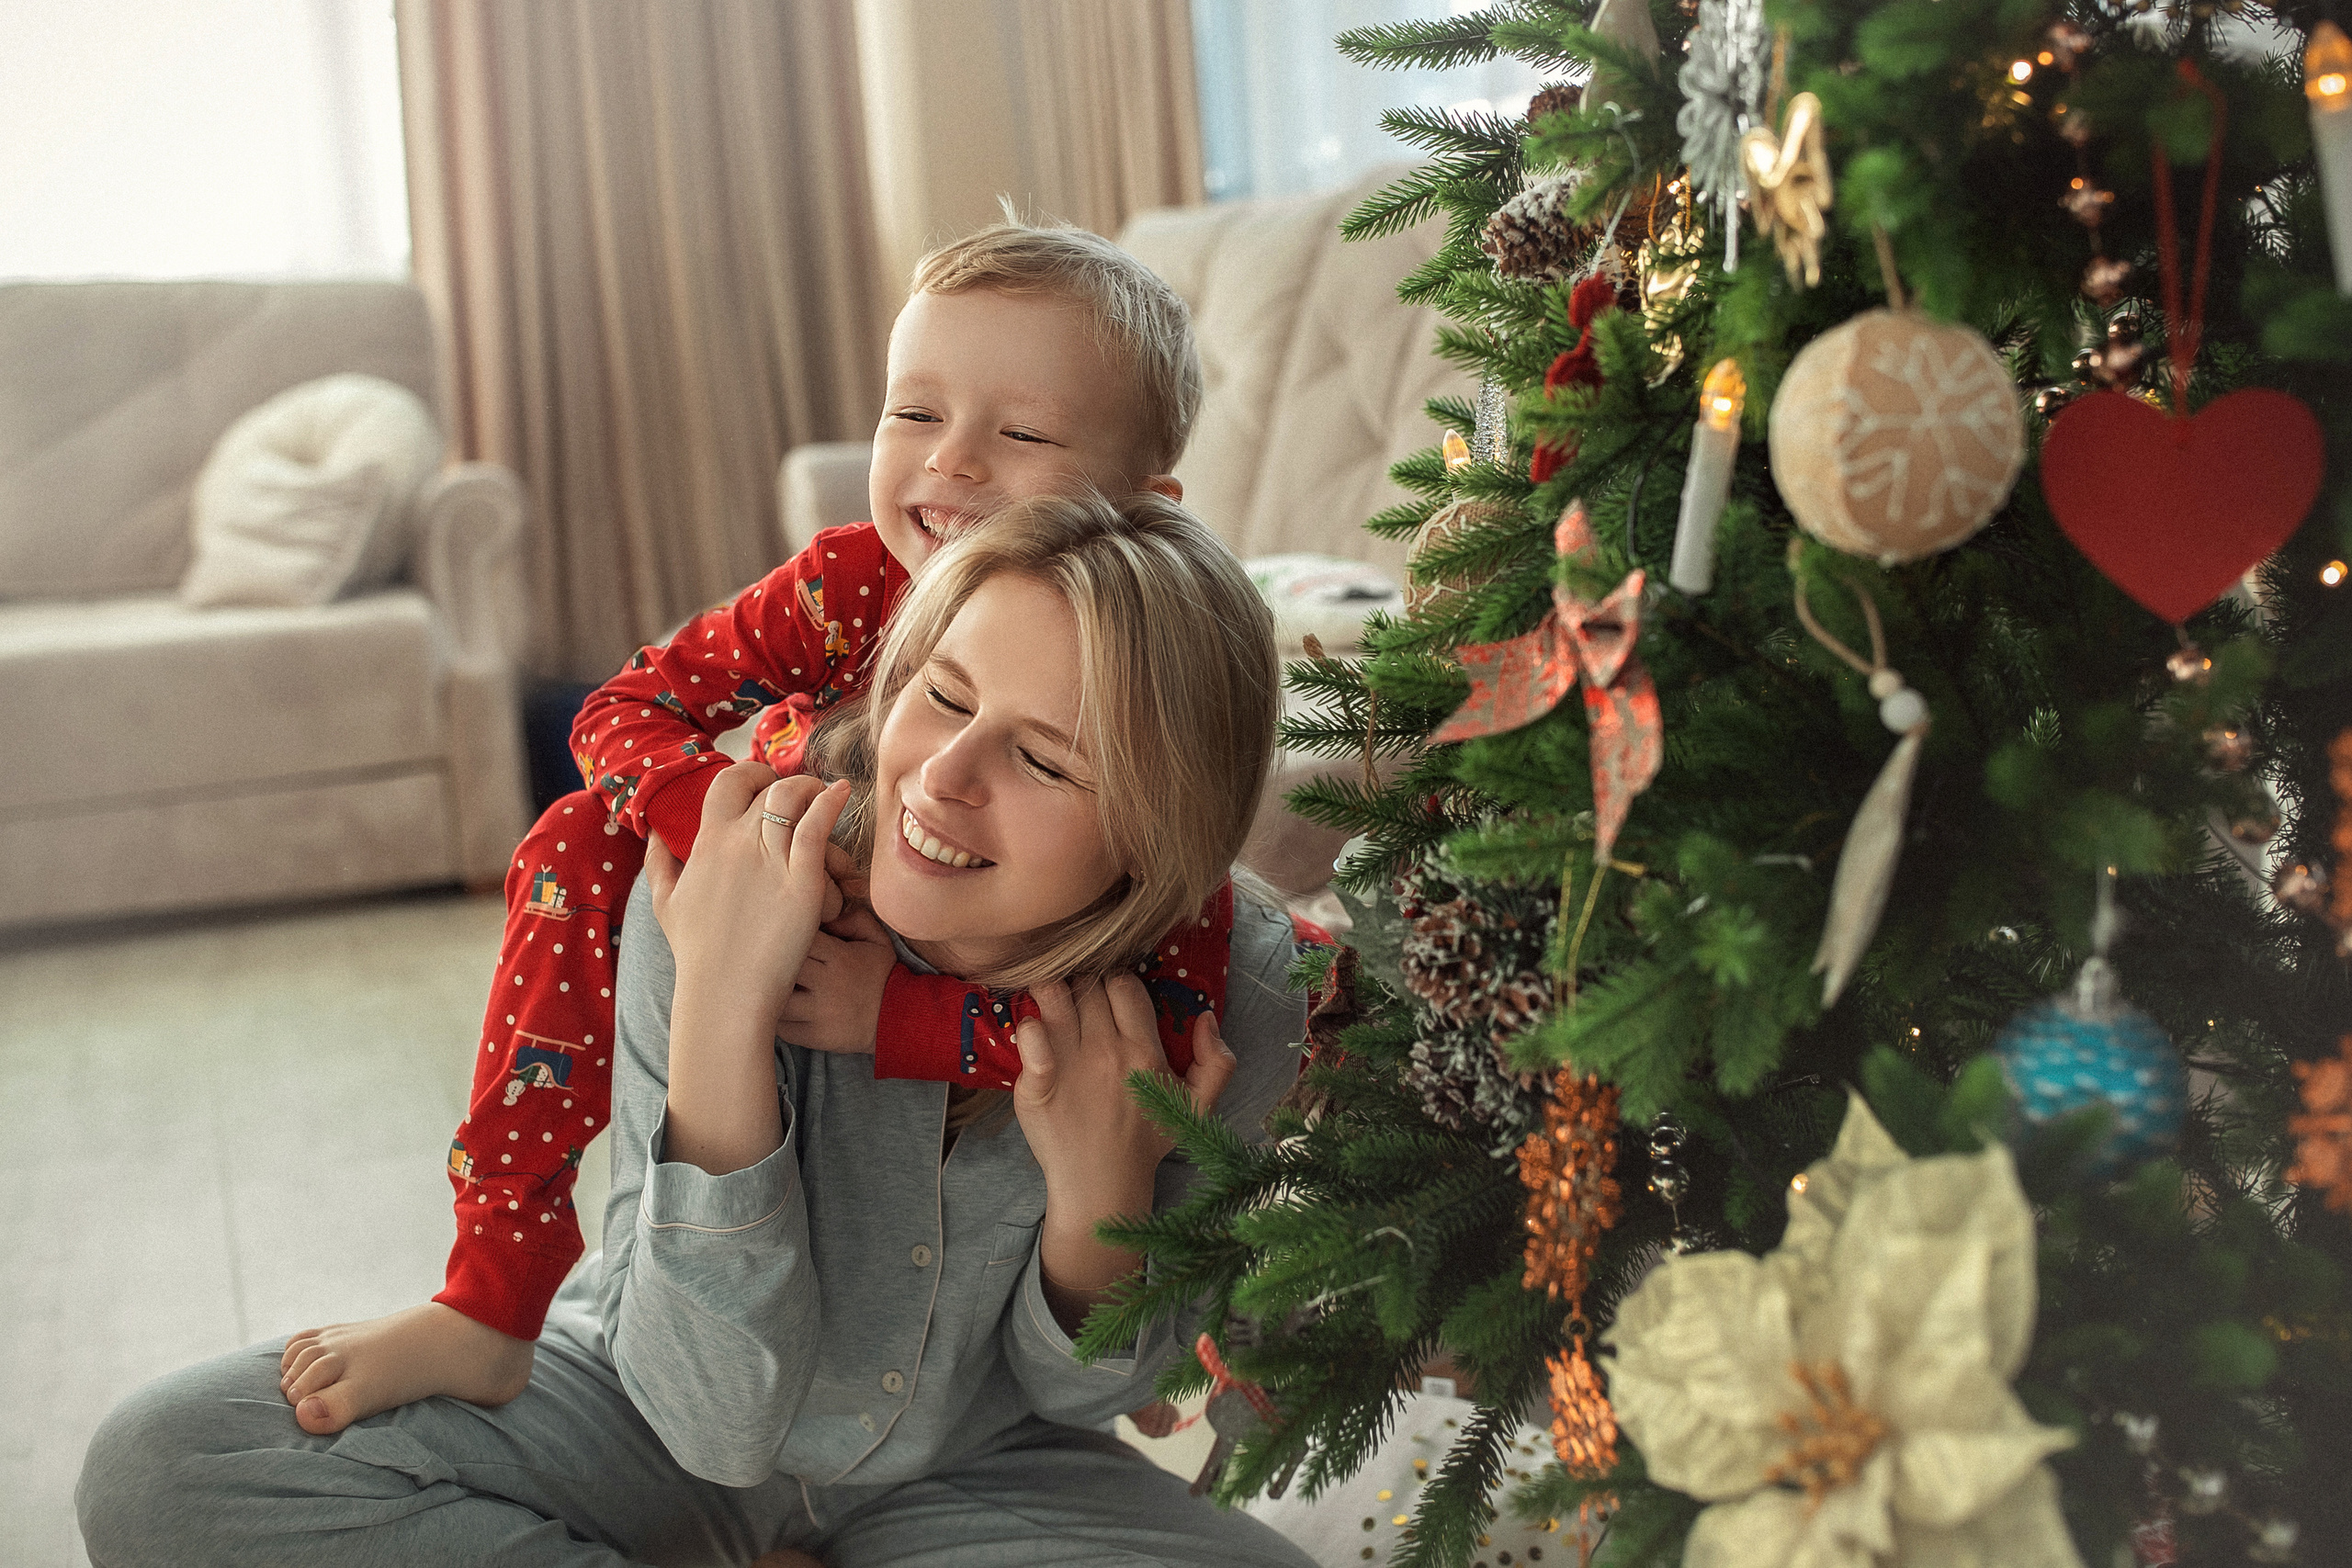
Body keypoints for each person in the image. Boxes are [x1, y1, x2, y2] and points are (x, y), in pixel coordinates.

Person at [78, 492, 1317, 1568]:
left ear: (1156, 832)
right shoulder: (731, 870)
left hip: (987, 1473)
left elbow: (1086, 1390)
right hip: (639, 1405)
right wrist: (724, 1009)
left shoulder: (1230, 994)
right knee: (168, 1466)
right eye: (941, 697)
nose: (941, 777)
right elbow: (704, 1418)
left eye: (1046, 762)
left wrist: (1100, 1201)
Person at [272, 218, 1246, 1438]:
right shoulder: (848, 584)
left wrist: (903, 1017)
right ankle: (493, 1293)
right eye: (915, 413)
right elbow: (627, 710)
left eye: (1024, 433)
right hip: (783, 888)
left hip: (982, 1122)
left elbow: (1165, 1033)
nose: (951, 466)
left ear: (1147, 508)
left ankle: (1144, 1339)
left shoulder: (1153, 695)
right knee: (577, 841)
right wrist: (726, 838)